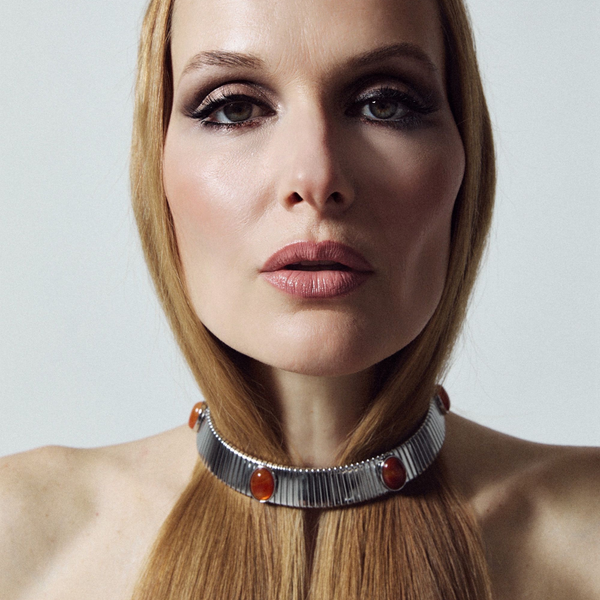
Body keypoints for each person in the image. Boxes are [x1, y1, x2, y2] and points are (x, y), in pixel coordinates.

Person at [1, 0, 598, 598]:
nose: (315, 176)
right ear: (156, 160)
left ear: (467, 154)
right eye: (234, 108)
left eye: (384, 103)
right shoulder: (20, 538)